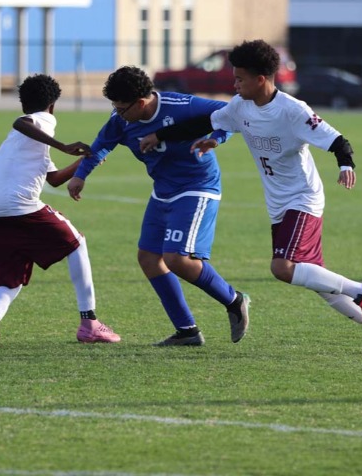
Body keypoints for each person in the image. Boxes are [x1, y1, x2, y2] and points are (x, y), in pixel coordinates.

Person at [139, 40, 362, 355]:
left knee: (282, 267)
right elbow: (203, 123)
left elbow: (337, 140)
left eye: (240, 79)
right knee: (319, 282)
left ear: (261, 79)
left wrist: (346, 164)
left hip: (302, 199)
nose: (235, 85)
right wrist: (166, 135)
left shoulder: (292, 110)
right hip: (278, 203)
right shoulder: (241, 106)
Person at [66, 66, 250, 347]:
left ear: (141, 103)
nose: (118, 114)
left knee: (177, 258)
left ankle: (234, 300)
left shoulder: (183, 105)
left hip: (197, 186)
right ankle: (187, 331)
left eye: (122, 108)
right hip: (163, 190)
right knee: (149, 258)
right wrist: (81, 175)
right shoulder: (121, 119)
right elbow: (102, 144)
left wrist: (216, 138)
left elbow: (230, 114)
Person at [0, 74, 121, 346]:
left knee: (10, 280)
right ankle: (89, 323)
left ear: (22, 102)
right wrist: (63, 146)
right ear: (52, 105)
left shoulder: (27, 144)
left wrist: (84, 162)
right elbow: (22, 122)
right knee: (76, 243)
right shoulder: (41, 120)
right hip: (18, 206)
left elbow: (53, 179)